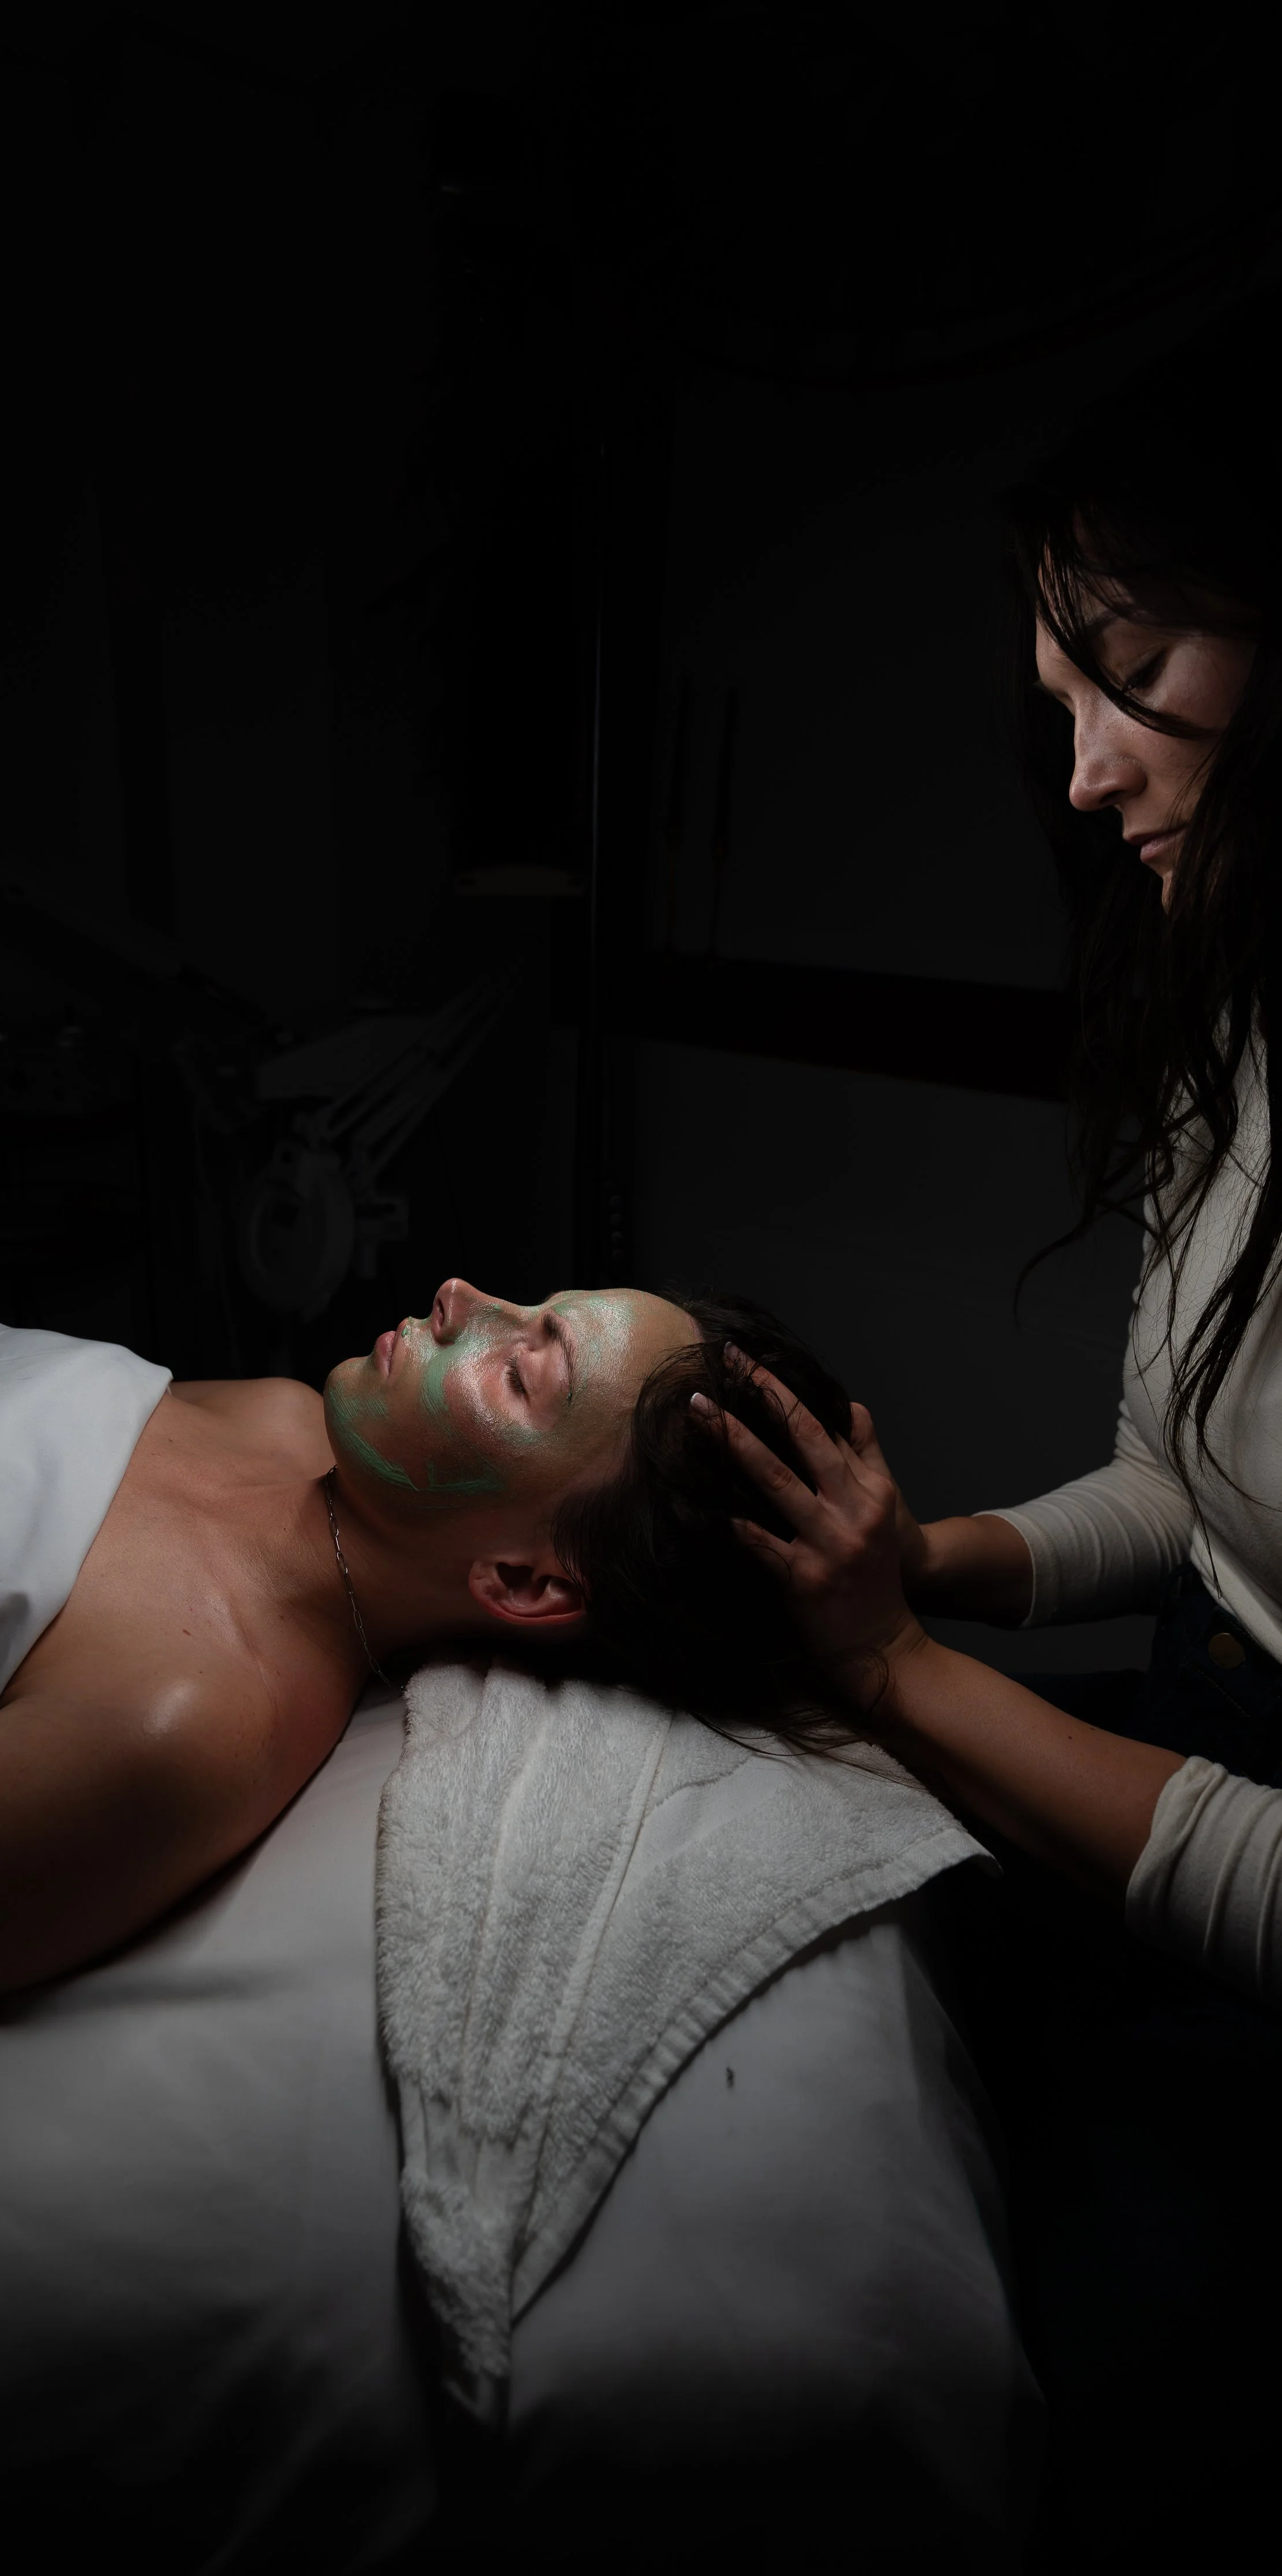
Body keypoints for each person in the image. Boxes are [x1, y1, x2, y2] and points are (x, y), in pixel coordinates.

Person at [676, 300, 1282, 2570]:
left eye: (1133, 674)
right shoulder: (1227, 1002)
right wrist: (919, 1569)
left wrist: (891, 1672)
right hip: (1196, 1739)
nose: (1086, 774)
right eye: (1058, 702)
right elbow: (1182, 1495)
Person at [0, 1280, 852, 2032]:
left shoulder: (185, 1725)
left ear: (525, 1583)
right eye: (527, 1302)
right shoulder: (280, 1415)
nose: (460, 1296)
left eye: (520, 1371)